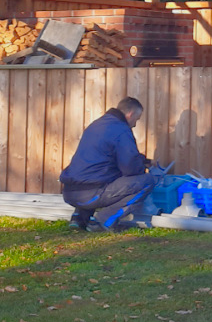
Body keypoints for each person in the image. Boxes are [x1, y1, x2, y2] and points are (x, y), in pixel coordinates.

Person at [59, 97, 154, 233]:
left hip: (70, 192)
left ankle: (79, 217)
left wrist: (144, 160)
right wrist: (144, 167)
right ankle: (104, 221)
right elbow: (130, 168)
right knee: (147, 181)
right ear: (130, 114)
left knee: (96, 175)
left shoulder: (97, 125)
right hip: (91, 195)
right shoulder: (121, 130)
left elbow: (103, 159)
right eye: (137, 120)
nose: (134, 125)